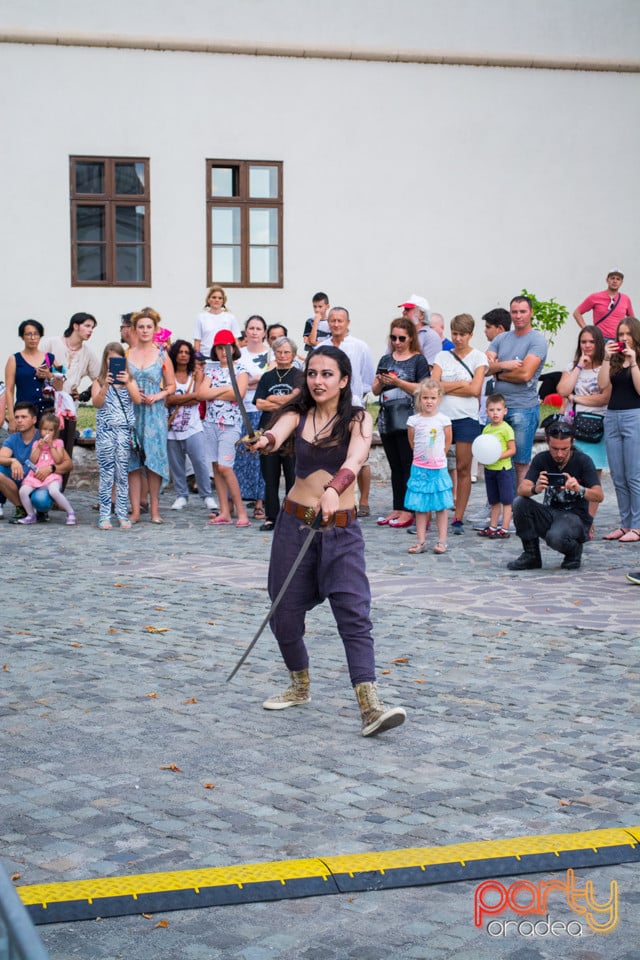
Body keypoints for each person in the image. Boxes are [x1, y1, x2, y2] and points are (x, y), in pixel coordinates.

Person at [247, 345, 406, 737]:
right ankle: (299, 685)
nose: (318, 381)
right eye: (313, 373)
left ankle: (370, 706)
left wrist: (336, 488)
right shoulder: (295, 413)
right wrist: (262, 441)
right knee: (283, 614)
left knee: (353, 613)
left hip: (341, 529)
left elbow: (354, 459)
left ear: (344, 380)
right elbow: (274, 434)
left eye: (327, 374)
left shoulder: (358, 419)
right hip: (294, 527)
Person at [507, 420, 602, 571]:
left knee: (555, 537)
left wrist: (580, 489)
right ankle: (531, 555)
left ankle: (574, 551)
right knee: (520, 503)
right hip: (551, 514)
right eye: (554, 448)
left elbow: (599, 495)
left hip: (576, 517)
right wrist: (535, 488)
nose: (559, 454)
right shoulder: (541, 459)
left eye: (564, 449)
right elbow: (521, 489)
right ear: (547, 442)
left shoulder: (583, 461)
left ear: (572, 442)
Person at [431, 313, 488, 534]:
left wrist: (448, 385)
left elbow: (475, 389)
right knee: (436, 465)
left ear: (471, 335)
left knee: (463, 468)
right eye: (455, 333)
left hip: (466, 417)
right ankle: (435, 511)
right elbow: (434, 386)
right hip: (442, 417)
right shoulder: (442, 356)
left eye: (462, 334)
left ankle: (458, 516)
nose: (458, 338)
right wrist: (461, 383)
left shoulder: (478, 357)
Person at [373, 317, 430, 527]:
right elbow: (374, 390)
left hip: (409, 419)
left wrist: (397, 382)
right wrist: (381, 382)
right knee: (395, 466)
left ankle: (409, 510)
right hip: (387, 418)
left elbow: (424, 389)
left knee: (408, 465)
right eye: (393, 337)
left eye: (401, 338)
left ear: (410, 338)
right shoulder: (385, 360)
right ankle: (397, 507)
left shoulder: (418, 360)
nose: (397, 342)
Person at [486, 296, 548, 485]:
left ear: (531, 313)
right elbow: (484, 367)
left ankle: (517, 507)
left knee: (520, 461)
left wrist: (498, 374)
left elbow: (525, 374)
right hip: (498, 408)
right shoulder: (501, 338)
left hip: (523, 408)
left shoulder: (537, 340)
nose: (518, 316)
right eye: (514, 312)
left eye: (523, 311)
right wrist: (504, 365)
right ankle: (496, 506)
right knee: (495, 458)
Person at [557, 326, 610, 528]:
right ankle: (572, 515)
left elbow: (604, 398)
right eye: (583, 342)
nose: (587, 346)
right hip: (573, 426)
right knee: (572, 471)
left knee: (592, 474)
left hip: (595, 426)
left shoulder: (604, 368)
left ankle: (588, 520)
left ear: (598, 344)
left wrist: (576, 398)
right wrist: (579, 366)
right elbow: (563, 389)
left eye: (591, 342)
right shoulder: (572, 365)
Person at [127, 308, 176, 524]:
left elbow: (172, 385)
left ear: (155, 330)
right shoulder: (127, 354)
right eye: (141, 327)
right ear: (134, 330)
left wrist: (158, 395)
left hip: (154, 412)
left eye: (149, 327)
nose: (145, 330)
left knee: (154, 461)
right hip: (131, 411)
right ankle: (136, 509)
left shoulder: (162, 354)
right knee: (133, 462)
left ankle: (155, 509)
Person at [326, 306, 375, 516]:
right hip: (328, 408)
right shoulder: (322, 346)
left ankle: (363, 500)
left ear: (347, 323)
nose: (336, 324)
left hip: (353, 404)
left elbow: (367, 378)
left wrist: (355, 398)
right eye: (333, 321)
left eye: (340, 321)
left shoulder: (359, 346)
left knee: (360, 456)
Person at [40, 312, 101, 486]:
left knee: (64, 448)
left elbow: (99, 377)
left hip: (67, 406)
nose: (90, 331)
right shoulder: (51, 343)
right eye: (87, 326)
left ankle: (58, 491)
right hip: (46, 402)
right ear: (75, 325)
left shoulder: (87, 353)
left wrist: (88, 394)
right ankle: (38, 488)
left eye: (92, 328)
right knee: (43, 445)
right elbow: (37, 367)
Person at [198, 329, 250, 527]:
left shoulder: (241, 369)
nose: (223, 351)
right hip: (211, 424)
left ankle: (242, 512)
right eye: (219, 348)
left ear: (233, 348)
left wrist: (214, 392)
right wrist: (227, 389)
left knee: (225, 467)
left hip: (230, 425)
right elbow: (202, 394)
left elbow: (240, 393)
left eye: (226, 347)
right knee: (216, 468)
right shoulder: (211, 370)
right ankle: (224, 511)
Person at [597, 317, 640, 542]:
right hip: (612, 416)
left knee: (634, 474)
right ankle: (625, 524)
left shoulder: (637, 359)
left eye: (627, 334)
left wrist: (633, 362)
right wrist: (606, 357)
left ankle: (637, 525)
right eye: (620, 334)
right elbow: (602, 384)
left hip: (634, 415)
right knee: (618, 475)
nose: (623, 338)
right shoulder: (614, 359)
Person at [253, 336, 302, 531]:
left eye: (286, 352)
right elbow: (259, 403)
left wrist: (272, 398)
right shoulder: (267, 377)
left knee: (292, 477)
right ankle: (271, 516)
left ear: (293, 354)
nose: (282, 355)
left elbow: (298, 402)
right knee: (270, 477)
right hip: (267, 431)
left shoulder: (299, 376)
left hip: (292, 434)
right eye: (279, 352)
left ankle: (292, 516)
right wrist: (286, 399)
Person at [92, 342, 142, 530]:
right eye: (110, 359)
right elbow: (96, 403)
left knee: (122, 474)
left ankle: (122, 514)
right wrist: (106, 385)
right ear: (105, 359)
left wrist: (127, 382)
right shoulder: (98, 381)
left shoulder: (130, 379)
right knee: (106, 474)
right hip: (105, 432)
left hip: (123, 432)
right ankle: (104, 515)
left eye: (118, 359)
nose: (113, 362)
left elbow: (137, 400)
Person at [165, 340, 218, 514]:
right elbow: (167, 400)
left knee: (200, 461)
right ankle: (181, 494)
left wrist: (179, 398)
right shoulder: (167, 374)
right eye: (180, 352)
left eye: (187, 352)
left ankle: (207, 495)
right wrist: (189, 397)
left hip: (193, 426)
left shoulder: (196, 374)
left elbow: (198, 398)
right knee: (176, 464)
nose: (183, 355)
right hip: (171, 427)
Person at [404, 379, 454, 555]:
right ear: (420, 398)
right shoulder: (413, 421)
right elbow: (412, 441)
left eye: (432, 397)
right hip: (419, 468)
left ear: (439, 398)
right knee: (420, 507)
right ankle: (421, 540)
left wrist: (438, 456)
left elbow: (447, 441)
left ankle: (442, 540)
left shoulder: (443, 420)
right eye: (425, 397)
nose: (429, 401)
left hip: (438, 468)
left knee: (440, 506)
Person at [0, 402, 71, 523]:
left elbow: (68, 464)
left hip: (41, 480)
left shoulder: (46, 434)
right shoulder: (13, 438)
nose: (19, 420)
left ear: (34, 419)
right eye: (17, 417)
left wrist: (51, 468)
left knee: (41, 501)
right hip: (23, 479)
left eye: (23, 417)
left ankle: (41, 510)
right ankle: (22, 508)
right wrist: (13, 460)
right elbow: (1, 457)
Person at [235, 315, 269, 519]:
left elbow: (266, 381)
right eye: (251, 328)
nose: (255, 332)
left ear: (264, 332)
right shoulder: (239, 355)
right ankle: (237, 500)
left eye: (258, 328)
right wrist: (252, 381)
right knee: (240, 456)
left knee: (260, 457)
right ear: (245, 331)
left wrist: (247, 381)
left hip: (263, 409)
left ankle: (260, 502)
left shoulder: (272, 354)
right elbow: (235, 381)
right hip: (241, 409)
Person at [16, 411, 76, 525]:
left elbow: (58, 460)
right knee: (23, 491)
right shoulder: (36, 443)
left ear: (55, 431)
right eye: (45, 429)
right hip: (36, 475)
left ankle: (70, 512)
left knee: (54, 491)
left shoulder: (58, 443)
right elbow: (33, 460)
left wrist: (51, 447)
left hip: (52, 476)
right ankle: (31, 515)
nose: (47, 432)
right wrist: (38, 447)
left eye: (50, 430)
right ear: (40, 430)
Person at [4, 320, 63, 432]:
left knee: (45, 446)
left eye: (36, 334)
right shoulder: (14, 359)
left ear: (41, 336)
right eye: (28, 334)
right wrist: (12, 417)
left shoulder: (50, 358)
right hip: (24, 412)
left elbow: (60, 386)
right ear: (22, 337)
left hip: (47, 413)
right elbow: (9, 390)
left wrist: (49, 375)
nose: (32, 338)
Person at [476, 393, 516, 539]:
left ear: (505, 411)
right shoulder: (487, 429)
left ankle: (504, 528)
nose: (495, 413)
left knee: (506, 500)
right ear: (487, 412)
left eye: (498, 410)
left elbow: (512, 450)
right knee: (493, 500)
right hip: (490, 469)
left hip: (503, 470)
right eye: (492, 410)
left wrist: (498, 456)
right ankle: (493, 526)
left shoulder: (506, 429)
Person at [573, 271, 634, 341]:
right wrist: (586, 330)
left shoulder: (625, 299)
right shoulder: (595, 297)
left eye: (618, 279)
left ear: (621, 282)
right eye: (612, 278)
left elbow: (632, 320)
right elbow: (577, 313)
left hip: (618, 339)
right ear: (607, 280)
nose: (615, 281)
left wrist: (627, 336)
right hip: (600, 338)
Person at [193, 285, 240, 357]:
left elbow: (236, 342)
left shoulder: (231, 318)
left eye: (220, 298)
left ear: (223, 301)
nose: (217, 300)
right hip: (206, 357)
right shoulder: (200, 317)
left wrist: (235, 358)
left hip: (226, 357)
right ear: (208, 300)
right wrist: (198, 358)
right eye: (214, 297)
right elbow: (197, 342)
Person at [399, 294, 441, 366]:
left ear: (421, 315)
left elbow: (428, 370)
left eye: (408, 309)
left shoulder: (431, 337)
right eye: (404, 309)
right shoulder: (398, 334)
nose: (403, 312)